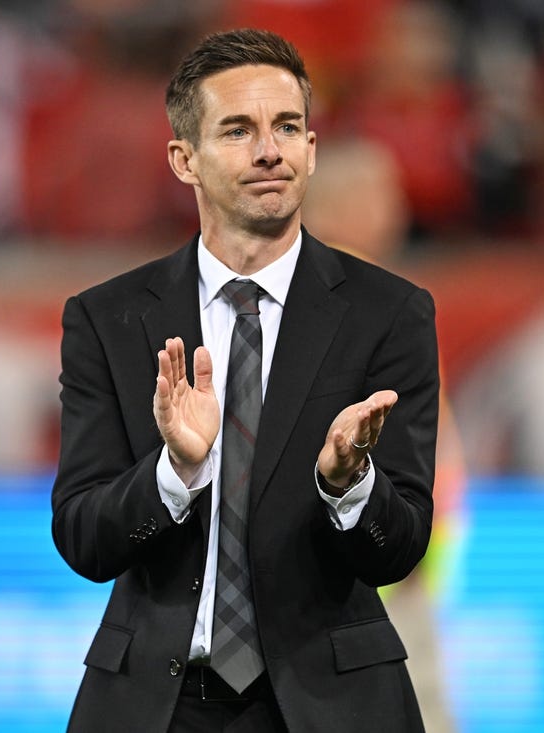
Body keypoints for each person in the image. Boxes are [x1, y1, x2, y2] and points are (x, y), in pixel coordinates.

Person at [51, 28, 439, 732]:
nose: (269, 150)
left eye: (287, 126)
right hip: (158, 708)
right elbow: (83, 536)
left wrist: (349, 483)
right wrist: (174, 470)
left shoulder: (391, 314)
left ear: (311, 150)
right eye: (238, 130)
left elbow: (402, 545)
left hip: (333, 706)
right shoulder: (108, 319)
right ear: (184, 159)